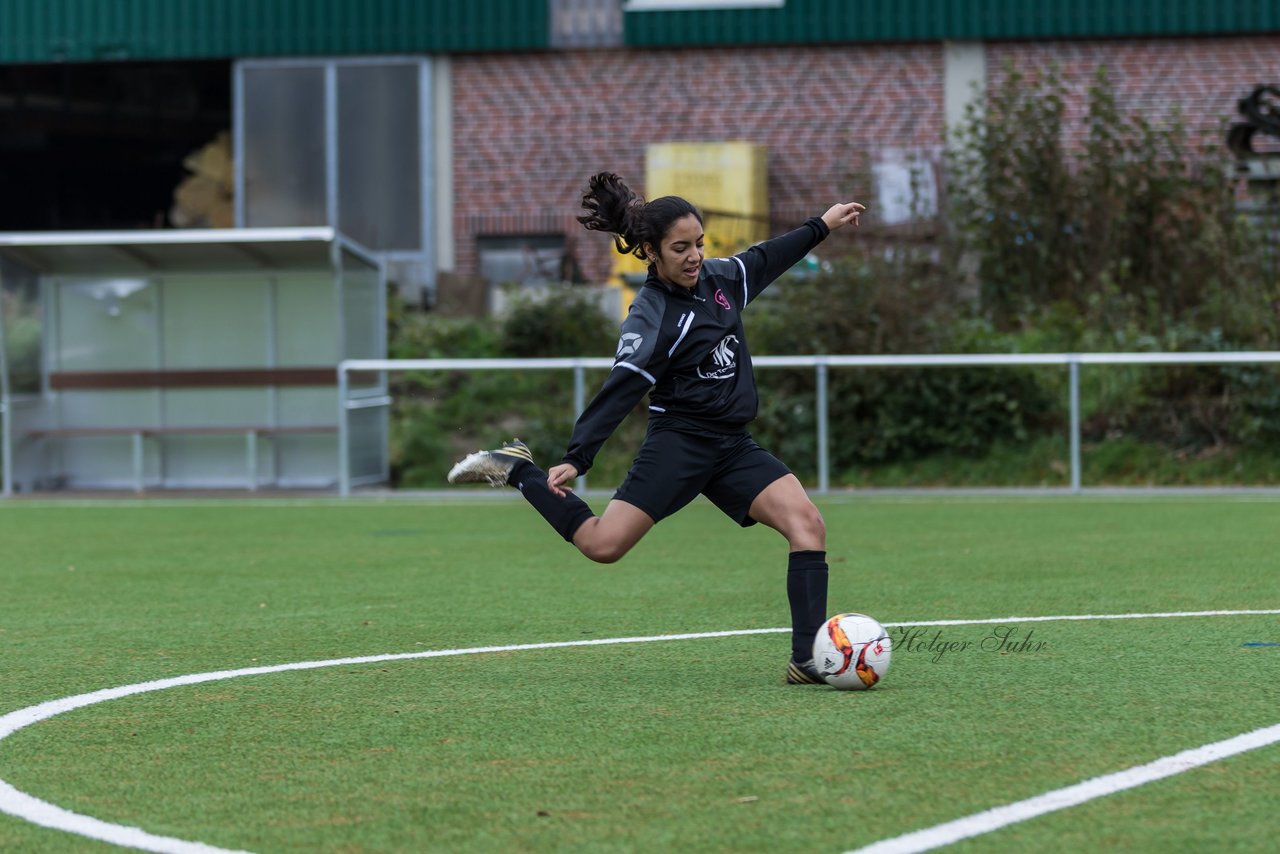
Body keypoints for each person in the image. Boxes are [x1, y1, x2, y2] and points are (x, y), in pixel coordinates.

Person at [449, 172, 865, 684]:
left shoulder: (723, 281)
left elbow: (768, 257)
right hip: (679, 445)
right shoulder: (651, 315)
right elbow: (621, 387)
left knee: (809, 527)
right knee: (603, 546)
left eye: (699, 244)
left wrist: (822, 224)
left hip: (732, 447)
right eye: (680, 248)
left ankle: (807, 660)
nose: (694, 256)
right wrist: (579, 455)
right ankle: (518, 469)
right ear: (650, 251)